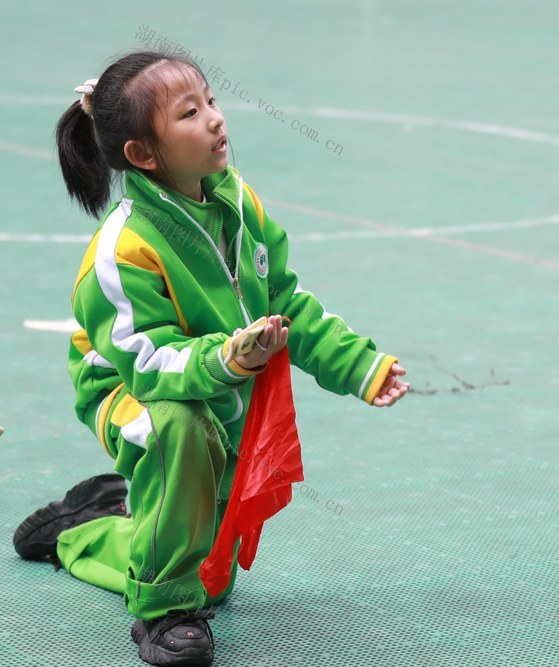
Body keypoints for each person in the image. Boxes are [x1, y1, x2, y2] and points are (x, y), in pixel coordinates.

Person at [13, 50, 409, 665]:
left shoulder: (238, 204)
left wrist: (357, 366)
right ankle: (162, 610)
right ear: (143, 155)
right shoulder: (123, 248)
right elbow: (146, 362)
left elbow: (283, 302)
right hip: (130, 392)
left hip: (222, 376)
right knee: (183, 427)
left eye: (211, 102)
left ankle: (93, 523)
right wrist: (226, 359)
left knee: (214, 578)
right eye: (189, 113)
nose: (216, 120)